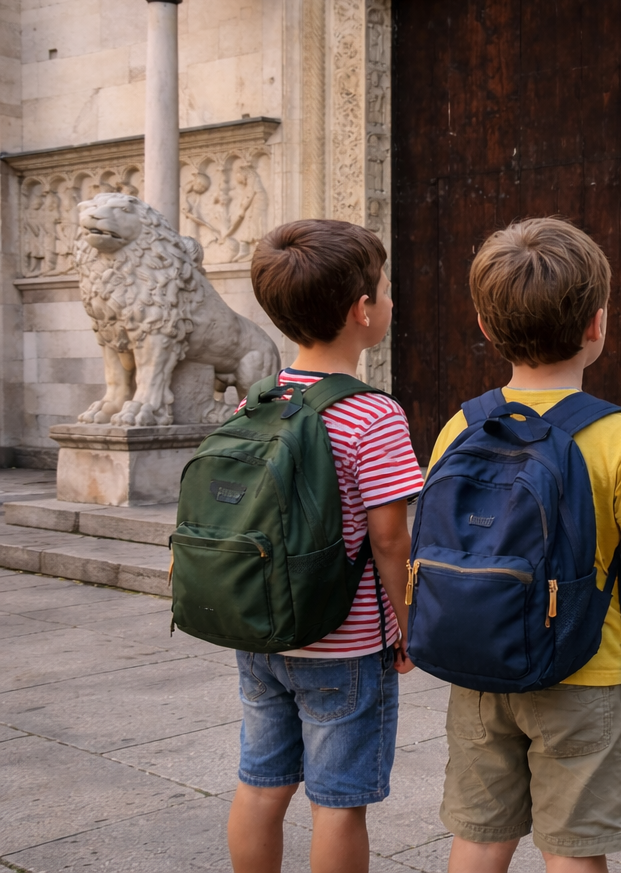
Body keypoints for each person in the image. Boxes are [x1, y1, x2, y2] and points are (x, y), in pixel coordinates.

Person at [430, 217, 621, 873]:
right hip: (585, 666)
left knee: (481, 834)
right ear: (597, 325)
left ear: (486, 328)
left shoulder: (462, 422)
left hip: (480, 660)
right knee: (572, 847)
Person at [227, 220, 423, 873]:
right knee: (338, 801)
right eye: (387, 293)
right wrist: (406, 624)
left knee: (261, 781)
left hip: (260, 633)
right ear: (362, 311)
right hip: (345, 643)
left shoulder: (255, 403)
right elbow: (390, 539)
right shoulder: (374, 414)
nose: (391, 304)